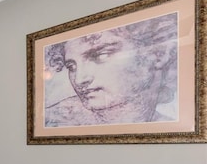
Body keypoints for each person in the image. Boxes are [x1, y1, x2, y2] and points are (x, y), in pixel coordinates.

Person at [44, 13, 178, 127]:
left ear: (159, 54)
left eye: (101, 55)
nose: (79, 80)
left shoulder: (169, 124)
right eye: (71, 67)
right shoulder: (55, 120)